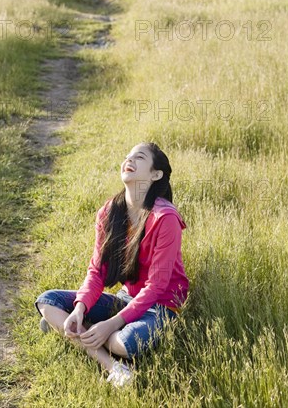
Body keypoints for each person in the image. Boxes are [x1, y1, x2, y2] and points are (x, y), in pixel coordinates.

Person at [34, 142, 189, 388]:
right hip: (125, 299)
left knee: (126, 344)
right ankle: (113, 366)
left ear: (155, 174)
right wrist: (80, 309)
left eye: (139, 157)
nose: (129, 160)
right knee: (48, 300)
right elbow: (96, 271)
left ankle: (75, 329)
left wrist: (112, 323)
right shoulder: (109, 212)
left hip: (161, 306)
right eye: (127, 156)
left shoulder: (165, 218)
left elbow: (158, 285)